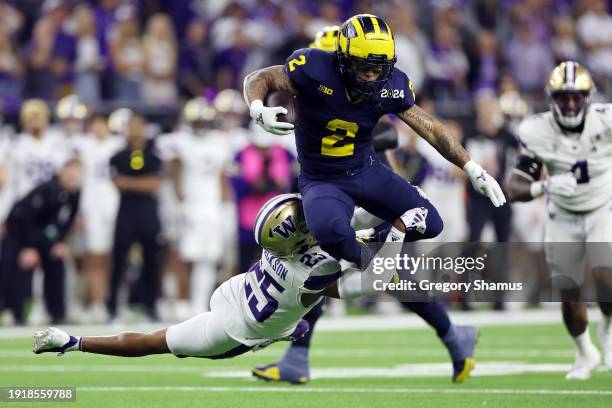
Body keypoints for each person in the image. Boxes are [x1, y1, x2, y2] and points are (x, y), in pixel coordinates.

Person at [243, 13, 505, 382]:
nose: (370, 76)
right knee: (336, 260)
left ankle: (447, 333)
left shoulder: (384, 86)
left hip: (367, 181)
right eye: (362, 67)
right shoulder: (312, 68)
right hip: (326, 184)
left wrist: (471, 167)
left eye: (376, 68)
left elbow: (413, 131)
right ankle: (449, 334)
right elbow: (264, 79)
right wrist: (258, 108)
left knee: (348, 263)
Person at [32, 194, 399, 359]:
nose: (308, 219)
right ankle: (73, 342)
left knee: (155, 339)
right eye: (302, 220)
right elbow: (371, 282)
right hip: (236, 331)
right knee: (156, 343)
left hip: (239, 290)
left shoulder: (281, 247)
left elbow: (346, 223)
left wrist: (387, 215)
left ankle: (288, 327)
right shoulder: (311, 270)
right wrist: (394, 234)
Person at [507, 61, 612, 379]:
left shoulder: (606, 121)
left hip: (601, 209)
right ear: (552, 98)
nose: (569, 104)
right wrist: (545, 185)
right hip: (561, 215)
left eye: (576, 97)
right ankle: (584, 352)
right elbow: (515, 186)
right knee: (569, 293)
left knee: (608, 278)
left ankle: (607, 331)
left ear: (586, 98)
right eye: (563, 97)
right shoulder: (536, 130)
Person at [0, 158, 81, 324]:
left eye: (77, 178)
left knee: (57, 261)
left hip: (43, 236)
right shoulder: (46, 190)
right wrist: (29, 248)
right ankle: (15, 313)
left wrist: (60, 242)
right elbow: (27, 220)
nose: (74, 181)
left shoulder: (74, 193)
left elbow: (68, 220)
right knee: (20, 267)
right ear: (62, 173)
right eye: (71, 177)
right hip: (18, 234)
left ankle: (57, 313)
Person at [106, 114, 163, 321]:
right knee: (119, 260)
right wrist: (142, 183)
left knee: (152, 261)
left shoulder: (154, 156)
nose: (136, 131)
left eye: (139, 126)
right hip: (126, 213)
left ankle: (151, 306)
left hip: (148, 214)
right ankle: (112, 307)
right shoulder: (117, 156)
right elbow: (117, 182)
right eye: (132, 126)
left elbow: (154, 184)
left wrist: (128, 183)